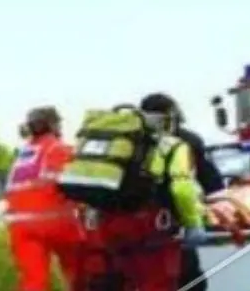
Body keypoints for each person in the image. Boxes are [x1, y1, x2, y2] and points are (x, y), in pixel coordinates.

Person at [72, 101, 208, 291]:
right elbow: (181, 189)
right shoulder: (172, 146)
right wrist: (193, 223)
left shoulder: (112, 146)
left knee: (121, 281)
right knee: (156, 283)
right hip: (150, 227)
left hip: (108, 225)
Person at [140, 92, 225, 291]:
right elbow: (193, 185)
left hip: (129, 223)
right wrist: (195, 221)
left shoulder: (132, 141)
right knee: (188, 280)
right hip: (169, 221)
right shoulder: (184, 141)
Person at [4, 106, 84, 291]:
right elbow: (79, 186)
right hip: (57, 223)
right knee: (78, 275)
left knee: (34, 283)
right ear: (54, 125)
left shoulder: (23, 154)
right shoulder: (60, 149)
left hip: (20, 227)